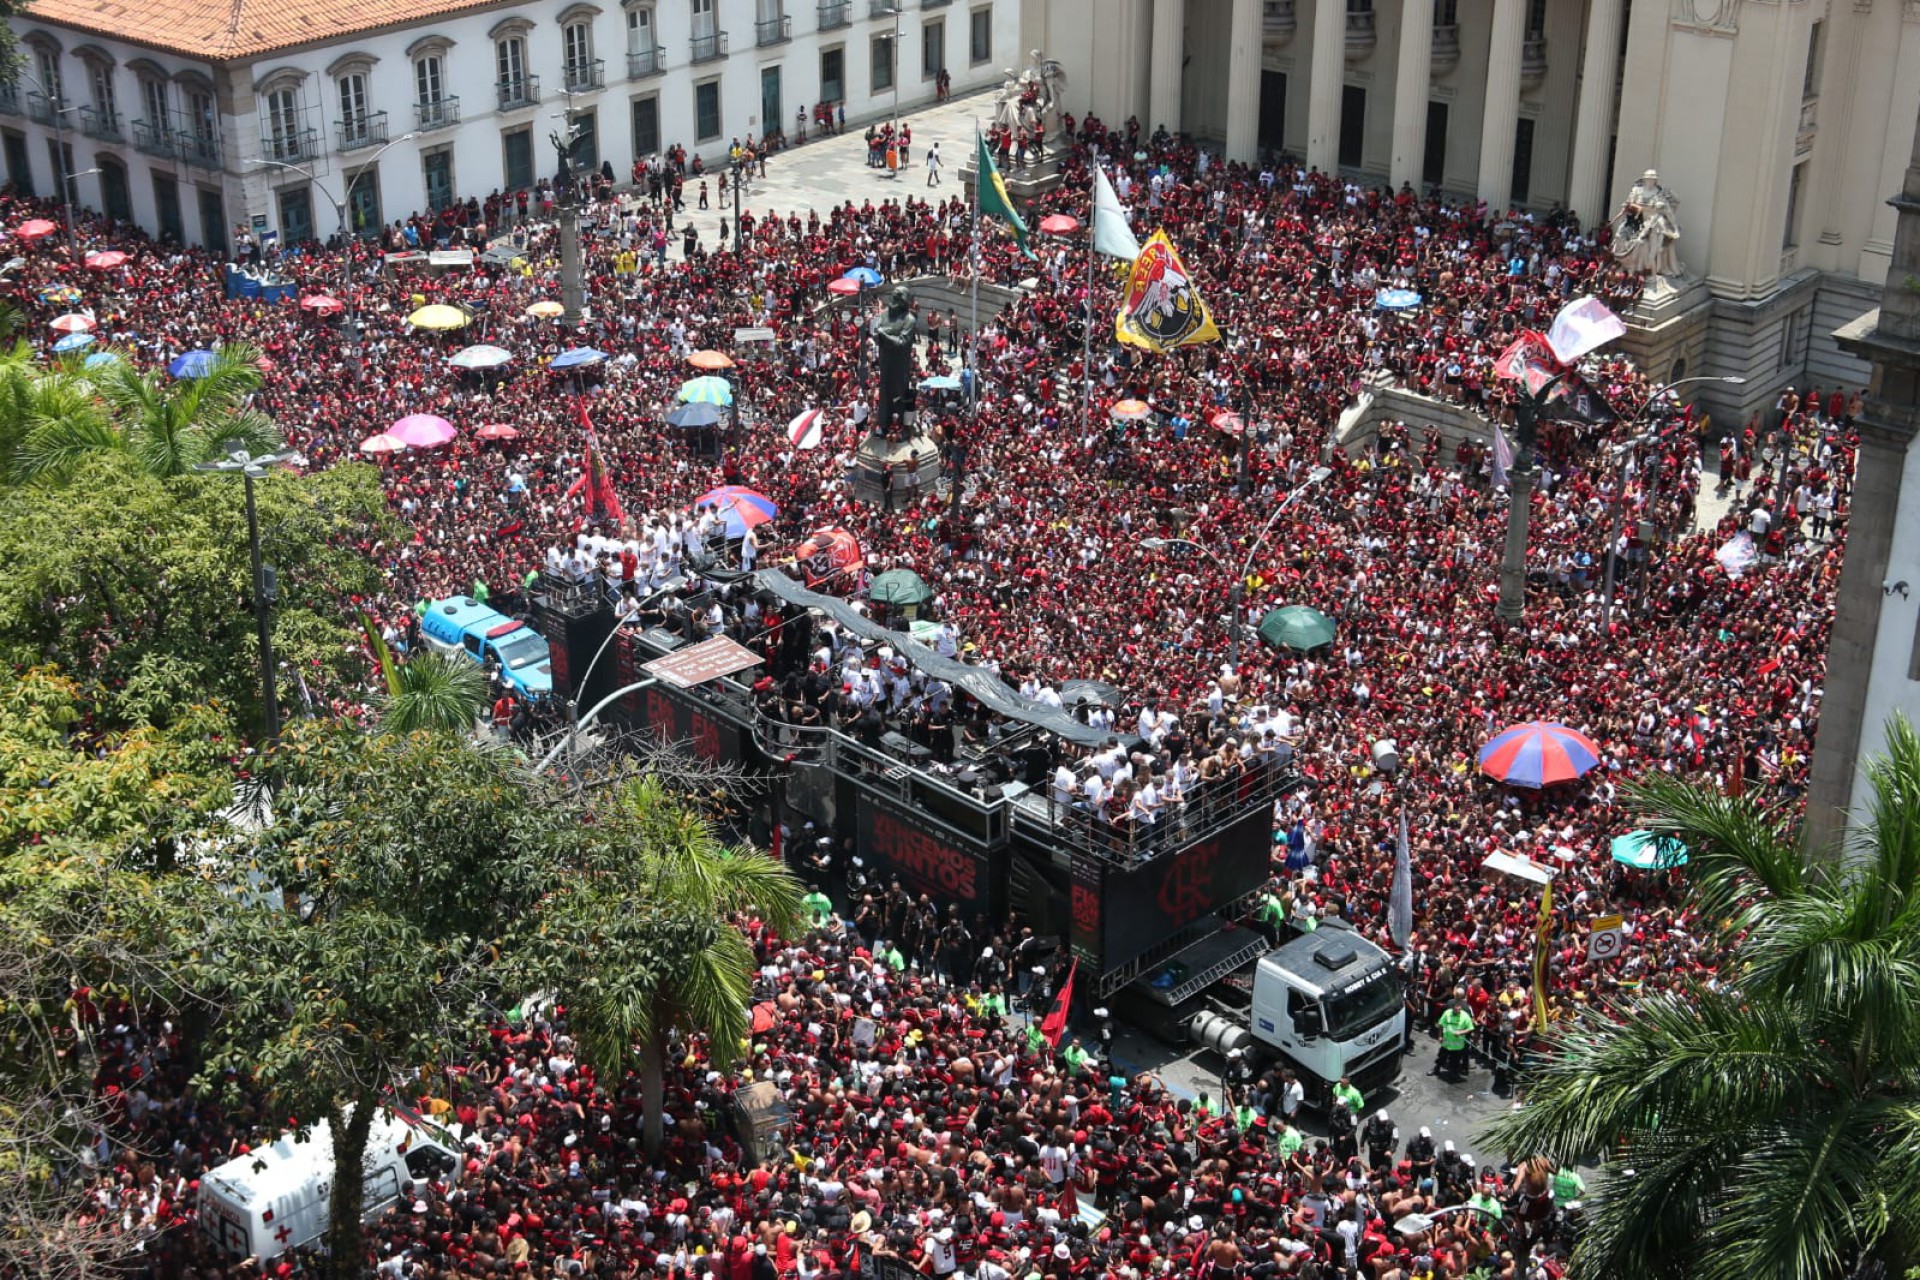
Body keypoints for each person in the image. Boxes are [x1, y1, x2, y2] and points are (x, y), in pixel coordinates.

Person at [1435, 999, 1474, 1079]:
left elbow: (1470, 1028)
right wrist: (1440, 1036)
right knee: (1441, 1057)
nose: (1458, 1011)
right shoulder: (1447, 1013)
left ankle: (1454, 1074)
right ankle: (1436, 1069)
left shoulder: (1465, 1016)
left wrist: (1461, 1032)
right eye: (1456, 1010)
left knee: (1455, 1061)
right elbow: (1441, 1024)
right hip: (1447, 1042)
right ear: (1452, 1008)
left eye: (1459, 1009)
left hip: (1457, 1045)